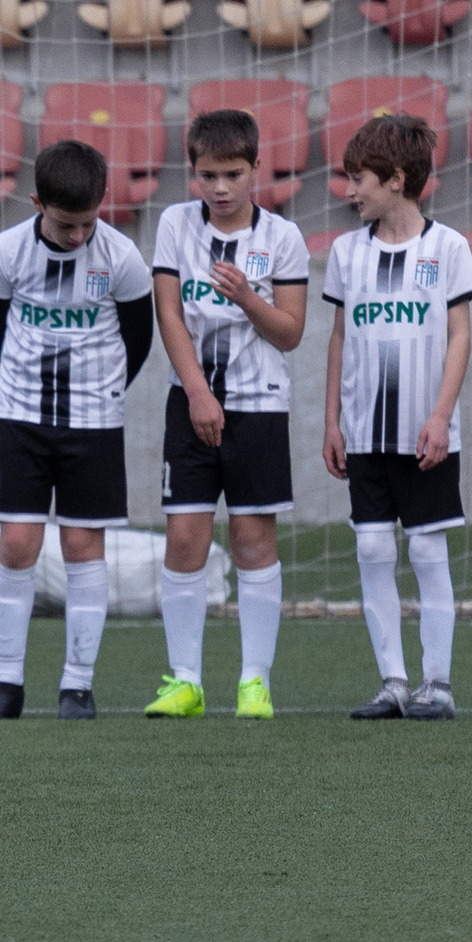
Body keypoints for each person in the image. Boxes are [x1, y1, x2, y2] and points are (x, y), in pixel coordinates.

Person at [0, 137, 155, 722]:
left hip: (94, 423)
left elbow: (138, 339)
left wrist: (98, 393)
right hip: (21, 418)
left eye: (87, 222)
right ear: (36, 204)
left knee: (82, 546)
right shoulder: (5, 252)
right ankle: (7, 684)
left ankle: (77, 685)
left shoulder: (122, 258)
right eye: (64, 224)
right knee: (16, 544)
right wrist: (27, 385)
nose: (78, 235)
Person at [145, 106, 308, 723]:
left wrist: (247, 298)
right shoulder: (174, 226)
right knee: (185, 536)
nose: (219, 188)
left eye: (233, 174)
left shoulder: (282, 238)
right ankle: (185, 680)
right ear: (192, 172)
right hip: (191, 401)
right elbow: (169, 314)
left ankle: (254, 683)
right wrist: (196, 392)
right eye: (207, 175)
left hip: (260, 403)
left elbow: (290, 333)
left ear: (256, 169)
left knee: (251, 537)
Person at [319, 113, 472, 723]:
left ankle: (436, 684)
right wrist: (331, 420)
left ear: (395, 179)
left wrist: (441, 416)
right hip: (363, 433)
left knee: (429, 553)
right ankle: (392, 681)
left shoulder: (449, 248)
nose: (349, 190)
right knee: (370, 550)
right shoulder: (344, 252)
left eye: (357, 179)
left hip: (425, 432)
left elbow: (460, 336)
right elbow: (338, 338)